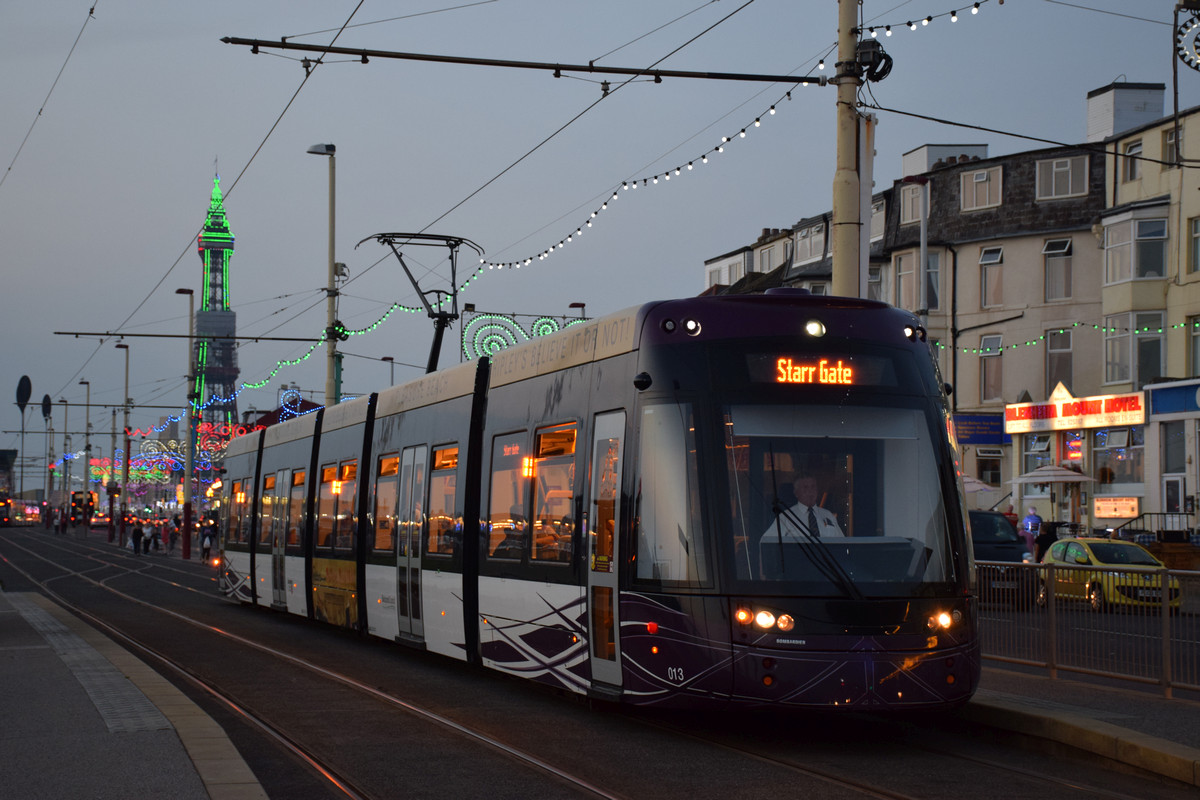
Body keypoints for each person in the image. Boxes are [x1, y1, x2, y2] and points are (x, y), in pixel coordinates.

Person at [760, 473, 845, 545]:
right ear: (796, 493)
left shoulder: (828, 515)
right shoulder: (786, 517)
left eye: (813, 487)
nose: (810, 491)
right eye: (805, 488)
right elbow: (766, 543)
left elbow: (843, 544)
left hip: (827, 564)